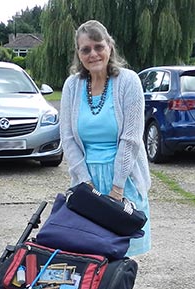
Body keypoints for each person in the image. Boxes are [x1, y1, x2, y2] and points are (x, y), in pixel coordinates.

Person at [59, 20, 151, 257]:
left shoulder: (129, 81)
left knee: (121, 259)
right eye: (85, 49)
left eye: (98, 46)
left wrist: (116, 189)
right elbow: (67, 138)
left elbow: (131, 139)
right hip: (86, 180)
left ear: (110, 46)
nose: (93, 54)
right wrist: (85, 184)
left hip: (123, 180)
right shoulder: (72, 85)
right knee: (87, 257)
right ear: (78, 54)